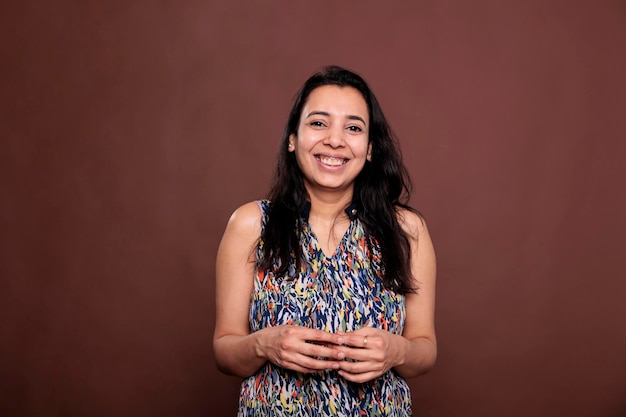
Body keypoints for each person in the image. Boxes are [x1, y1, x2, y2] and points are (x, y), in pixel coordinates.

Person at [213, 65, 436, 416]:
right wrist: (263, 345)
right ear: (292, 138)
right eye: (318, 123)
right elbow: (225, 350)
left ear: (370, 148)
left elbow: (425, 346)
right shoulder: (252, 224)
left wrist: (399, 351)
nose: (335, 139)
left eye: (353, 127)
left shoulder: (407, 229)